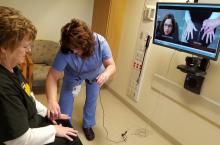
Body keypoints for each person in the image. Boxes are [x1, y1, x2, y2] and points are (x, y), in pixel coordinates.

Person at [0, 6, 82, 145]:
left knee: (64, 122)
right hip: (23, 136)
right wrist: (53, 130)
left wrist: (47, 112)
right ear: (4, 48)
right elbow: (19, 139)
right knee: (70, 140)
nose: (29, 51)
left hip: (29, 119)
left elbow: (29, 96)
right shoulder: (3, 88)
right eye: (25, 47)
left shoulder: (13, 68)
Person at [46, 18, 116, 141]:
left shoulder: (100, 43)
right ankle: (65, 126)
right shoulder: (66, 50)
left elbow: (111, 65)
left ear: (87, 44)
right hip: (72, 75)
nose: (74, 51)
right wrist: (52, 100)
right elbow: (52, 75)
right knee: (65, 103)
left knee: (92, 100)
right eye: (71, 49)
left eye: (77, 48)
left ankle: (88, 125)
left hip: (95, 74)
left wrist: (106, 74)